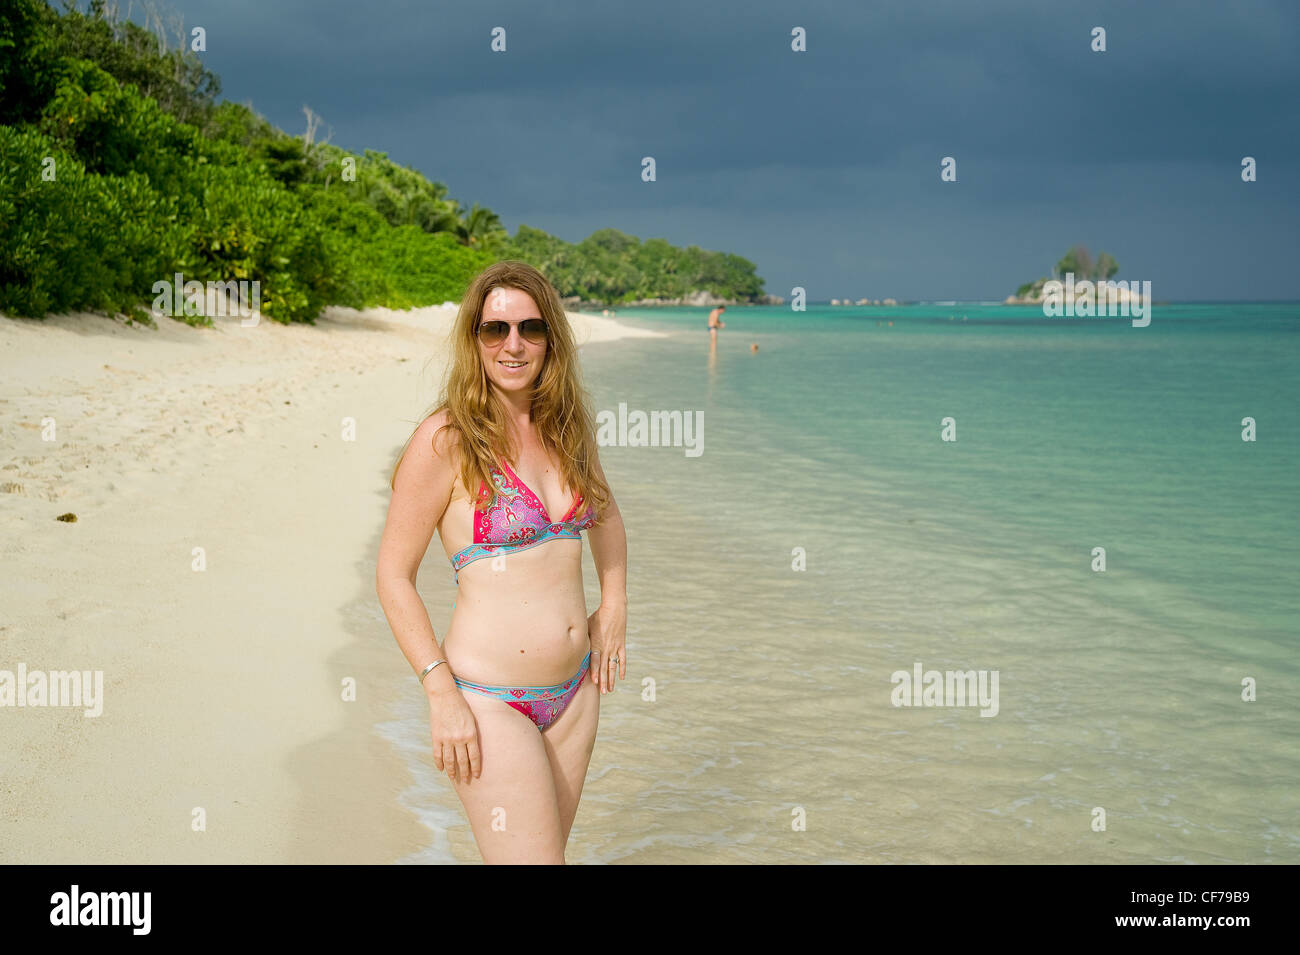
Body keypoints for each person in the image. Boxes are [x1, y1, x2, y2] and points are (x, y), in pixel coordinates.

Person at [376, 261, 628, 864]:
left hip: (576, 694)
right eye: (496, 329)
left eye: (530, 328)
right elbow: (393, 575)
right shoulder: (446, 439)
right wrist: (441, 693)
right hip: (488, 700)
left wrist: (615, 604)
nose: (513, 345)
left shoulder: (566, 430)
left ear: (550, 338)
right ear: (475, 339)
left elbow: (607, 517)